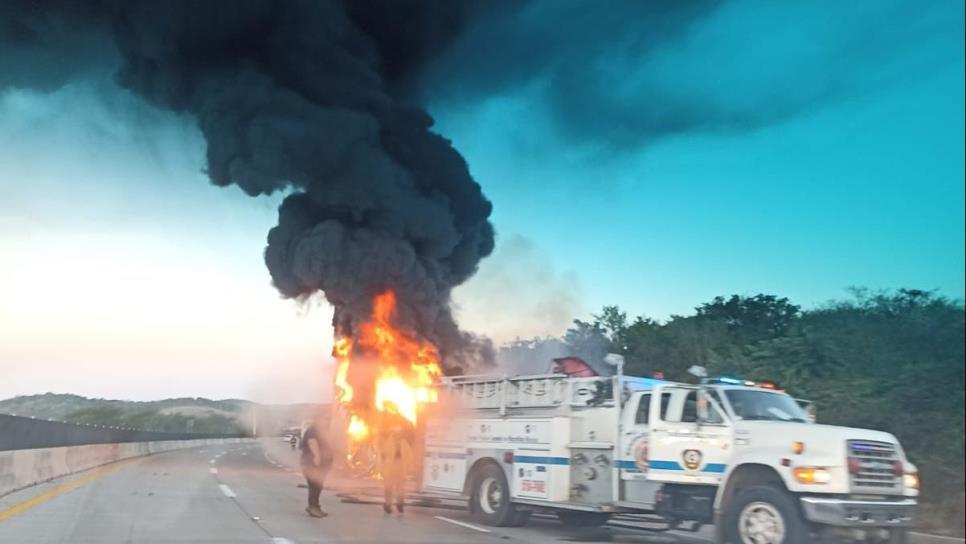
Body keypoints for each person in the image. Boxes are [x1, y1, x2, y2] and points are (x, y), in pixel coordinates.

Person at [376, 403, 414, 514]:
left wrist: (409, 467)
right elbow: (381, 451)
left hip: (399, 465)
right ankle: (389, 505)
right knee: (390, 486)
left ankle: (399, 504)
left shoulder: (403, 441)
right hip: (390, 465)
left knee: (399, 486)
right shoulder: (388, 439)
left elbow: (409, 454)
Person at [300, 416, 333, 518]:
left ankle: (315, 506)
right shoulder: (313, 430)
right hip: (312, 463)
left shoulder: (320, 431)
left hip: (318, 463)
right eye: (325, 419)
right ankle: (313, 507)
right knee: (315, 485)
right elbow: (312, 442)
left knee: (317, 486)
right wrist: (317, 457)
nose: (327, 421)